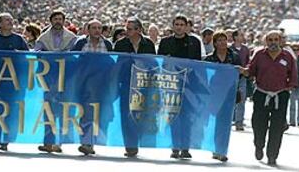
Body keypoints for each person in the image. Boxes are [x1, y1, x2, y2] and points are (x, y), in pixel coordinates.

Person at [240, 30, 297, 166]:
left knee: (277, 127)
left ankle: (272, 155)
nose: (273, 42)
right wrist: (244, 71)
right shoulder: (259, 54)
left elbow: (293, 73)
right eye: (270, 40)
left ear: (280, 41)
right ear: (266, 41)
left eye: (275, 39)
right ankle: (259, 145)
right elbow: (251, 70)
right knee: (258, 124)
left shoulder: (287, 56)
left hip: (280, 95)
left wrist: (291, 85)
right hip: (261, 93)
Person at [0, 12, 29, 151]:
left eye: (11, 19)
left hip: (14, 83)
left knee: (11, 111)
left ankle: (6, 139)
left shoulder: (19, 40)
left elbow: (28, 59)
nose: (10, 22)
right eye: (7, 20)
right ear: (0, 24)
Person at [158, 15, 201, 159]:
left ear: (186, 26)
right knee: (172, 116)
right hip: (171, 84)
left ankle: (186, 147)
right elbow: (161, 62)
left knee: (187, 116)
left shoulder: (194, 42)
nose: (179, 27)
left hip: (189, 84)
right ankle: (175, 146)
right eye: (176, 24)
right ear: (172, 26)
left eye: (182, 24)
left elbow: (198, 63)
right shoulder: (165, 42)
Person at [34, 10, 76, 153]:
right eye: (55, 19)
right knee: (49, 110)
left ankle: (61, 142)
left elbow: (75, 55)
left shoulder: (71, 38)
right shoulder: (43, 38)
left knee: (64, 110)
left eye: (60, 19)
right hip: (49, 79)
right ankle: (48, 142)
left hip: (66, 79)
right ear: (51, 21)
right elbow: (36, 52)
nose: (58, 21)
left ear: (64, 21)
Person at [113, 17, 156, 158]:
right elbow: (117, 64)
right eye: (127, 28)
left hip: (144, 84)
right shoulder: (120, 44)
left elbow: (153, 63)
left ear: (139, 30)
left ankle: (140, 139)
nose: (127, 31)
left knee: (142, 114)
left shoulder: (148, 44)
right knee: (126, 114)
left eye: (130, 29)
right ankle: (130, 145)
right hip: (126, 83)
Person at [71, 19, 113, 155]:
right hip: (84, 84)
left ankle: (94, 140)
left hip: (102, 85)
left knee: (101, 114)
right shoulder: (81, 43)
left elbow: (113, 62)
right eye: (94, 28)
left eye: (99, 28)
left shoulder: (107, 44)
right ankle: (86, 143)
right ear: (87, 30)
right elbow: (73, 59)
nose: (97, 31)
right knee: (86, 113)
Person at [205, 31, 241, 162]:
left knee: (225, 123)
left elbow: (240, 75)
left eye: (224, 40)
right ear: (214, 43)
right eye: (219, 40)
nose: (222, 43)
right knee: (215, 122)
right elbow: (205, 76)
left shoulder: (234, 57)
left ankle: (222, 150)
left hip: (229, 93)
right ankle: (215, 148)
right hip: (214, 94)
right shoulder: (209, 59)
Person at [230, 29, 250, 131]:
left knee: (241, 99)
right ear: (235, 37)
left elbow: (248, 61)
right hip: (230, 77)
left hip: (242, 77)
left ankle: (239, 122)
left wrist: (246, 69)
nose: (243, 37)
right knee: (230, 99)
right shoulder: (229, 48)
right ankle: (228, 121)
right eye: (241, 35)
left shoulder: (245, 49)